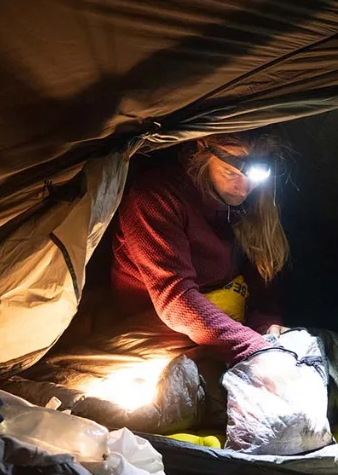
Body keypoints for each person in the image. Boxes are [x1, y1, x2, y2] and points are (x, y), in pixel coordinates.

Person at [108, 131, 290, 364]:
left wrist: (267, 331)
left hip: (226, 323)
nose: (245, 189)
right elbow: (177, 299)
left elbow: (262, 285)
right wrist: (254, 350)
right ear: (202, 148)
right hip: (155, 331)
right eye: (231, 172)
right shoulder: (157, 197)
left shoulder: (253, 203)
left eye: (256, 176)